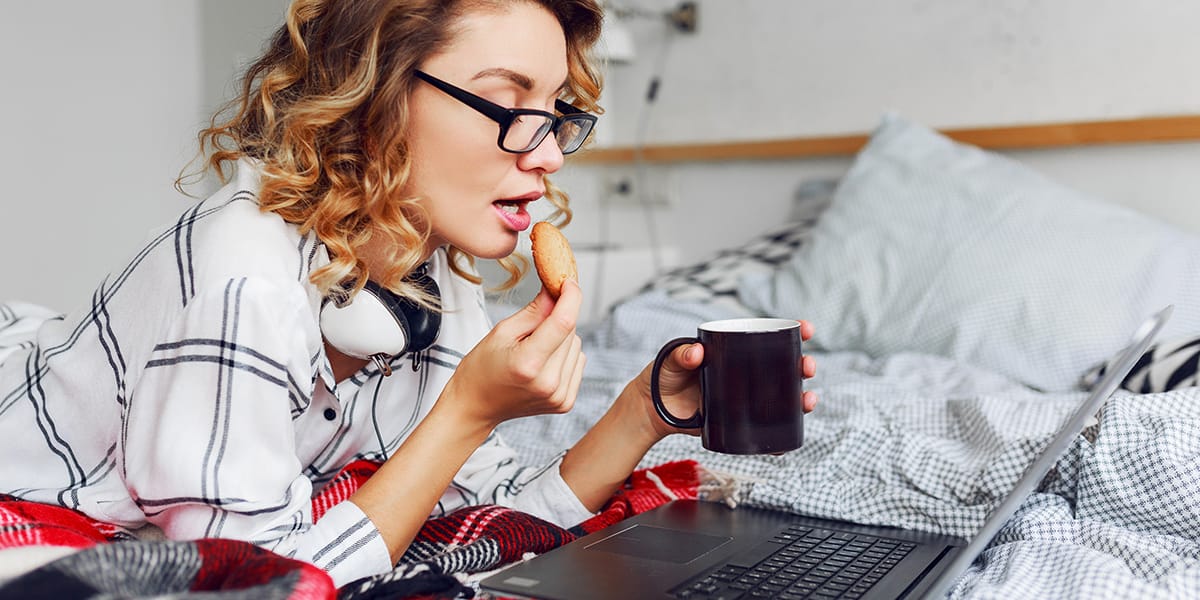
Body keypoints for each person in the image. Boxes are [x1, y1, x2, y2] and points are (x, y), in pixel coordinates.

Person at [0, 0, 817, 587]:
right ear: (376, 95)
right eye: (506, 101)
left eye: (555, 112)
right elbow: (255, 585)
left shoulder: (436, 280)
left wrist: (643, 410)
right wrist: (467, 409)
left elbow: (505, 514)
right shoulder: (244, 271)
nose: (549, 156)